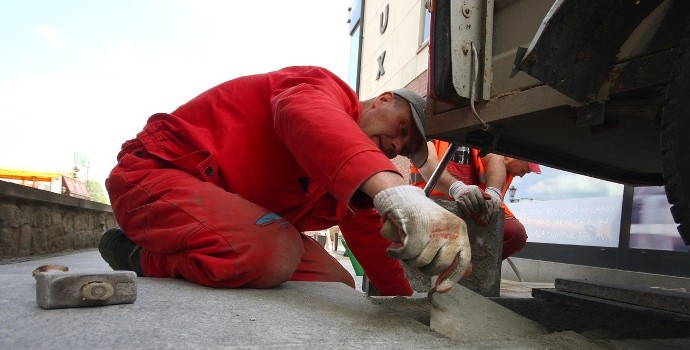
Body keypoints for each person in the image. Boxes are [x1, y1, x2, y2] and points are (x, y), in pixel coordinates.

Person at [97, 66, 471, 295]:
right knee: (273, 252)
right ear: (383, 100)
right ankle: (137, 254)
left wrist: (408, 306)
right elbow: (306, 116)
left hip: (218, 212)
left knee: (334, 285)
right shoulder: (321, 88)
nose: (395, 145)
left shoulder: (346, 182)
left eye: (403, 148)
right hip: (154, 176)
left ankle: (188, 249)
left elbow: (373, 245)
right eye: (401, 128)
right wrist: (397, 193)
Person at [410, 139, 540, 259]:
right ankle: (453, 264)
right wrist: (456, 188)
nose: (522, 175)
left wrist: (493, 193)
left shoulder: (475, 138)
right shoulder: (433, 131)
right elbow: (427, 161)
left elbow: (495, 159)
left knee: (515, 233)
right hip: (432, 208)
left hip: (472, 211)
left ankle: (468, 268)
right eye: (525, 169)